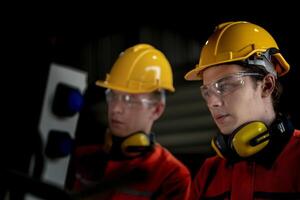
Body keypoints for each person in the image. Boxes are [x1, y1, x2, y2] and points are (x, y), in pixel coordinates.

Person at [184, 21, 300, 199]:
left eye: (225, 85)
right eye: (207, 91)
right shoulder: (209, 173)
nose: (212, 102)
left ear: (267, 85)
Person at [67, 43, 192, 199]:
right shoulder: (77, 159)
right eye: (113, 95)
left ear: (157, 109)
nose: (116, 108)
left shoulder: (172, 176)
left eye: (129, 100)